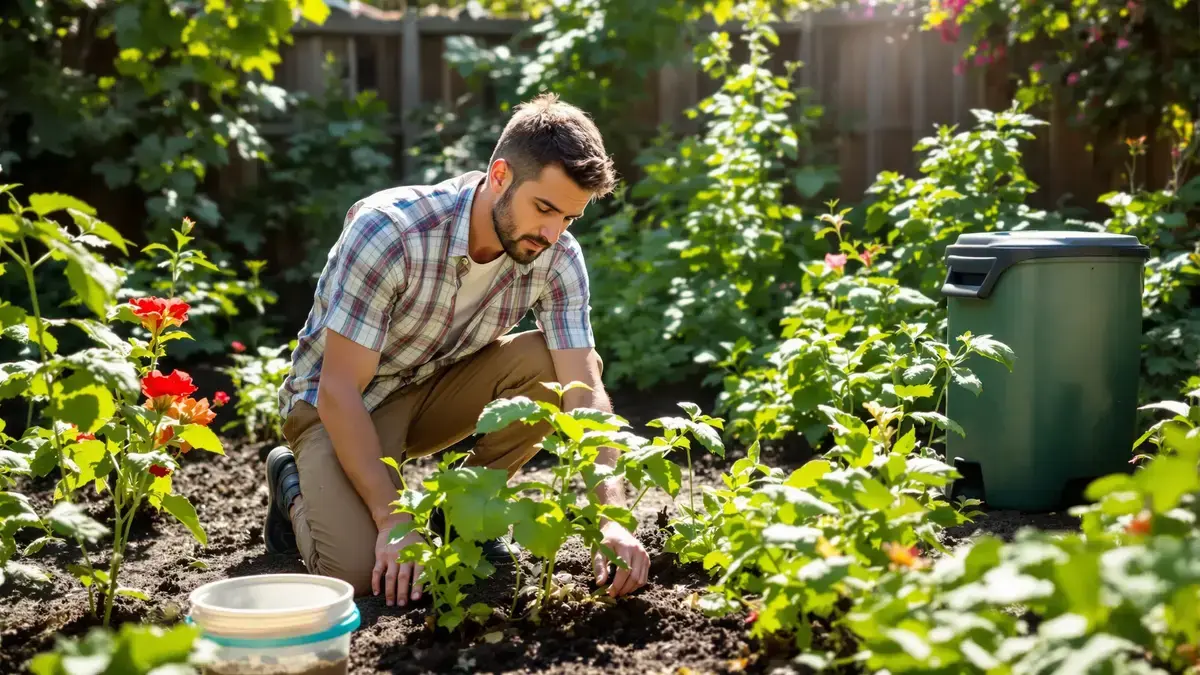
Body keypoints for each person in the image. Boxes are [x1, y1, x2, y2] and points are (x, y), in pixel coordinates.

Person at [261, 92, 650, 609]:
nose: (553, 233)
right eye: (545, 209)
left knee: (552, 369)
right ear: (500, 176)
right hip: (337, 407)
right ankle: (292, 483)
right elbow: (337, 390)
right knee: (356, 574)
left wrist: (611, 520)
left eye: (570, 219)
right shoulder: (392, 230)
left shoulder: (556, 256)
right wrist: (394, 519)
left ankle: (467, 516)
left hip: (431, 394)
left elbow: (585, 390)